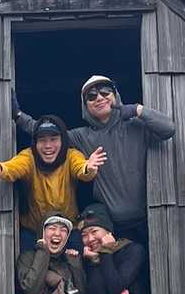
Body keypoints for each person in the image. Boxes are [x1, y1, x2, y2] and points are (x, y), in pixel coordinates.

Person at [13, 75, 175, 245]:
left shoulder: (136, 126)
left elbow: (169, 129)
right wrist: (18, 115)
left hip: (149, 219)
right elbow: (48, 134)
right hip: (108, 226)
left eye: (105, 92)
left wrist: (138, 109)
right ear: (85, 106)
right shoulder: (82, 136)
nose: (99, 98)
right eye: (91, 96)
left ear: (115, 95)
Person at [0, 115, 105, 248]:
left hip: (67, 229)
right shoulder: (29, 156)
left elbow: (81, 169)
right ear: (35, 143)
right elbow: (15, 166)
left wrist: (88, 168)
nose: (48, 146)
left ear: (63, 141)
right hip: (34, 230)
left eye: (53, 139)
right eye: (42, 140)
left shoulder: (71, 155)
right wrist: (2, 168)